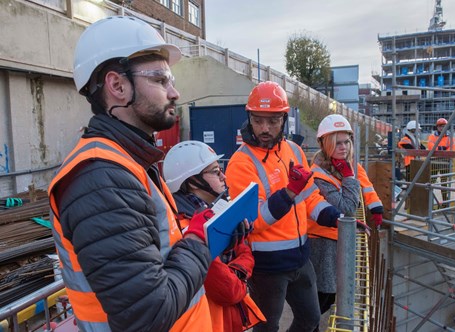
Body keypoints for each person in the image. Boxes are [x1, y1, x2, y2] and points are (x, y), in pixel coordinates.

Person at [48, 16, 213, 332]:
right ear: (118, 86)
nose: (174, 92)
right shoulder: (100, 178)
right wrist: (198, 242)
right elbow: (147, 316)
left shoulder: (131, 160)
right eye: (161, 80)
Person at [224, 81, 341, 332]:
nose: (265, 128)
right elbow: (252, 221)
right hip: (268, 269)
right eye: (258, 120)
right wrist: (287, 193)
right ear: (249, 118)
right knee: (267, 328)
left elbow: (310, 197)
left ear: (284, 119)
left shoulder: (295, 151)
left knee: (310, 319)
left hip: (301, 259)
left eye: (273, 121)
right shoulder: (240, 163)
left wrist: (334, 217)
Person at [163, 140, 266, 331]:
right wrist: (242, 278)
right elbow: (229, 291)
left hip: (227, 321)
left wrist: (235, 270)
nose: (223, 176)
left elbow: (245, 250)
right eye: (215, 171)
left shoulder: (215, 211)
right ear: (192, 180)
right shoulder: (186, 230)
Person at [307, 114, 384, 322]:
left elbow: (365, 185)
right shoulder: (319, 174)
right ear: (325, 144)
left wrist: (376, 207)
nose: (344, 147)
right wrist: (349, 178)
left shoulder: (346, 166)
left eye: (347, 142)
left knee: (327, 296)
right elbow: (347, 208)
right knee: (322, 298)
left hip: (336, 239)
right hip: (322, 243)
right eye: (337, 142)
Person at [427, 118, 455, 203]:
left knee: (444, 183)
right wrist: (443, 149)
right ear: (437, 127)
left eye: (444, 126)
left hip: (445, 162)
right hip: (434, 162)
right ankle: (430, 203)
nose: (442, 128)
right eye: (440, 126)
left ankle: (445, 202)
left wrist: (439, 150)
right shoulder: (432, 136)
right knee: (431, 182)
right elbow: (431, 147)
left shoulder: (450, 137)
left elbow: (452, 149)